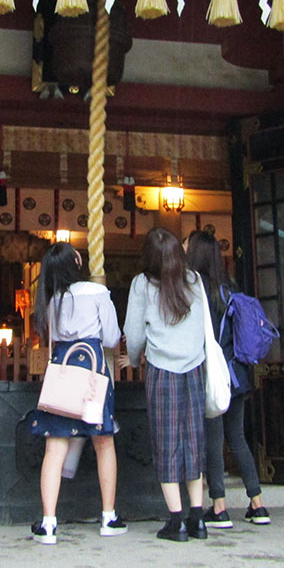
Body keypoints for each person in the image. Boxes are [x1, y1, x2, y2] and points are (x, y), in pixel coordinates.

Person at [29, 242, 127, 545]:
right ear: (76, 260)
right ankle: (108, 516)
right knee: (103, 442)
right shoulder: (96, 292)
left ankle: (48, 522)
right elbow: (110, 337)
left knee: (54, 448)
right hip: (93, 370)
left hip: (62, 370)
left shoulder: (50, 301)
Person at [120, 227, 209, 542]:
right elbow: (203, 327)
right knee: (194, 441)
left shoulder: (142, 284)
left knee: (166, 443)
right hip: (195, 368)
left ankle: (176, 521)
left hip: (162, 370)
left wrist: (132, 360)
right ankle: (197, 517)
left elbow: (134, 333)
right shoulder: (194, 281)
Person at [185, 230, 270, 528]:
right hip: (238, 374)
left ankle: (219, 507)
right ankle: (257, 504)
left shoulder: (197, 290)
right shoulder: (229, 287)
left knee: (213, 438)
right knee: (237, 438)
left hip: (213, 374)